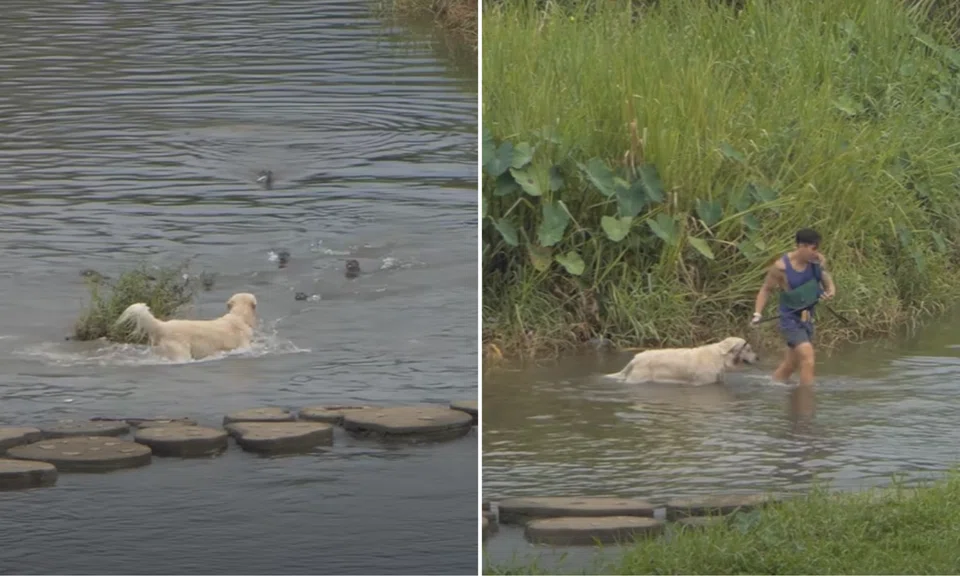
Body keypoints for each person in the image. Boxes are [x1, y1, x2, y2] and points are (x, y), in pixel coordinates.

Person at [750, 228, 836, 386]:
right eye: (813, 248)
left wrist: (830, 291)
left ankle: (771, 386)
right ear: (801, 246)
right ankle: (807, 396)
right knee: (808, 358)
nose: (816, 252)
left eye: (817, 248)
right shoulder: (781, 267)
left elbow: (826, 278)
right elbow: (766, 289)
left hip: (807, 317)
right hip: (790, 318)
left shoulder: (817, 261)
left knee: (791, 365)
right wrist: (757, 314)